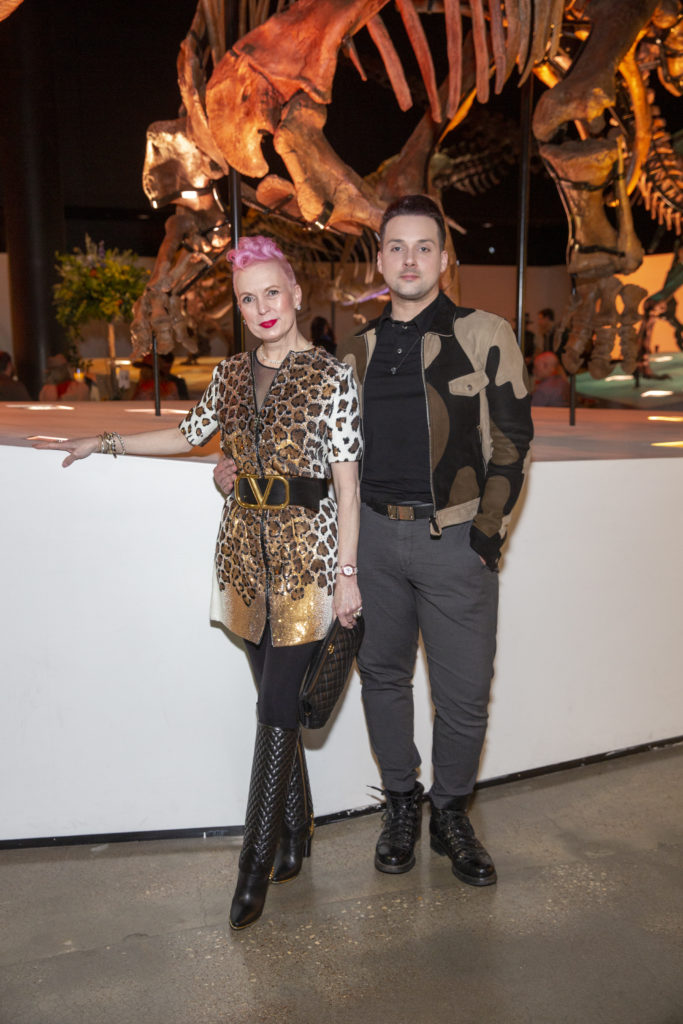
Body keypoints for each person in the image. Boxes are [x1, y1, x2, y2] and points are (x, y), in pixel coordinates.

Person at [35, 236, 363, 931]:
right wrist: (106, 441)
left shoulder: (334, 377)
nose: (262, 308)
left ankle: (254, 868)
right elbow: (188, 435)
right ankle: (298, 834)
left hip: (307, 561)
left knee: (275, 710)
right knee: (270, 699)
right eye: (248, 299)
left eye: (272, 293)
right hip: (244, 556)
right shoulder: (231, 375)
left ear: (297, 294)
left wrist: (348, 576)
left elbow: (348, 487)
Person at [217, 196, 533, 888]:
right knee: (382, 680)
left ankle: (449, 811)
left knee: (464, 696)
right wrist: (240, 463)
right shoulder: (353, 350)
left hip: (454, 543)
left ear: (443, 259)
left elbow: (513, 442)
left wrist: (485, 538)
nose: (410, 259)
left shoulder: (484, 333)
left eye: (424, 247)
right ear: (381, 258)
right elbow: (317, 443)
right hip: (373, 547)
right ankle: (400, 805)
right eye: (396, 247)